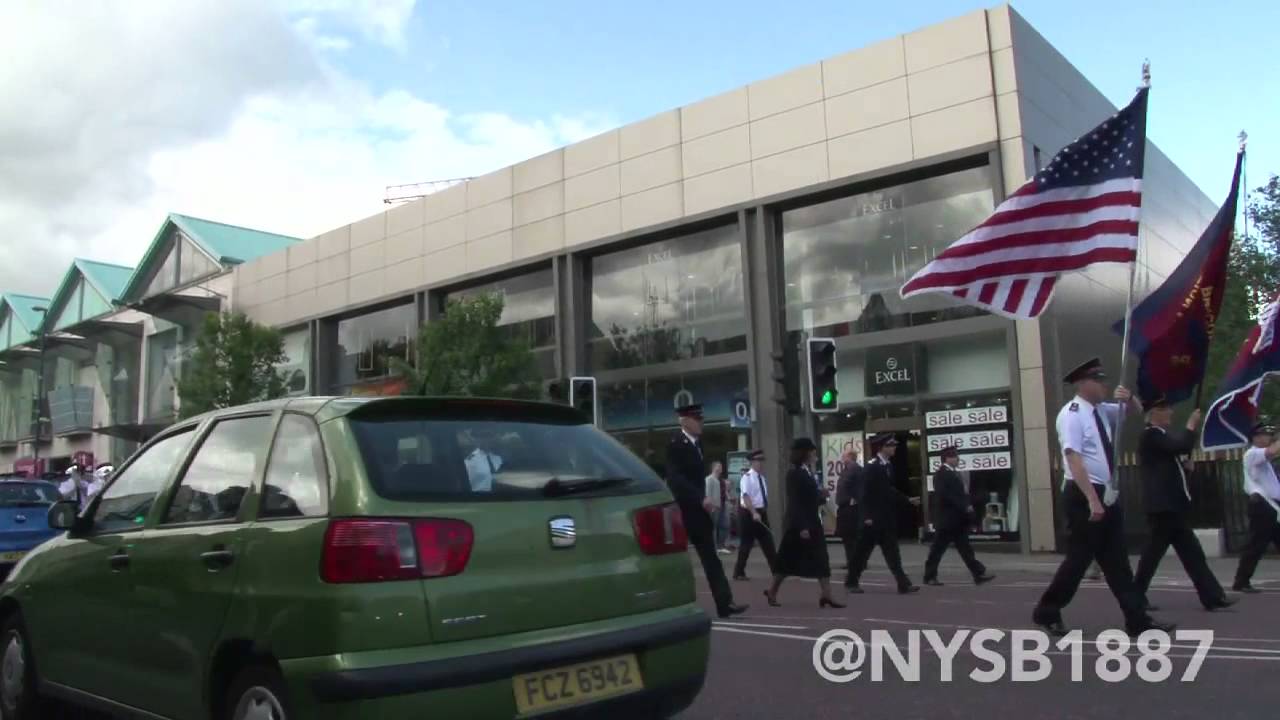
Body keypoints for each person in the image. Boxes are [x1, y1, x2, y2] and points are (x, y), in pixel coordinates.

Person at [1032, 357, 1173, 637]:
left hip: (1106, 491)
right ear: (1083, 383)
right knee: (1078, 561)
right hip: (1085, 493)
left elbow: (1136, 411)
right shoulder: (1072, 414)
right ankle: (1047, 611)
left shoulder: (1100, 411)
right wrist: (1092, 500)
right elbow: (1073, 457)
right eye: (1099, 381)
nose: (1104, 385)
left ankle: (1137, 619)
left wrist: (1129, 397)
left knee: (1117, 562)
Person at [1133, 397, 1233, 610]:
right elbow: (1180, 446)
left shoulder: (1160, 437)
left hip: (1170, 507)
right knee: (1155, 556)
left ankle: (1212, 597)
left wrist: (1186, 468)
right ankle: (1135, 599)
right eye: (1165, 409)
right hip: (1163, 507)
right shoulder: (1151, 435)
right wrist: (1190, 426)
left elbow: (1171, 463)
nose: (1170, 412)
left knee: (1189, 554)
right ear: (1153, 413)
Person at [666, 403, 747, 618]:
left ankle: (725, 603)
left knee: (711, 557)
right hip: (683, 510)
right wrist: (700, 498)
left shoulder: (698, 444)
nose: (701, 423)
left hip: (698, 511)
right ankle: (673, 607)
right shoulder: (676, 444)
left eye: (701, 419)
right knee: (676, 561)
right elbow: (675, 479)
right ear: (684, 421)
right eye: (696, 419)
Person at [764, 438, 846, 609]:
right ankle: (772, 590)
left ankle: (826, 594)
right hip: (799, 524)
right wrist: (802, 526)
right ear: (804, 453)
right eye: (812, 452)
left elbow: (810, 498)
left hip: (812, 521)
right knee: (787, 560)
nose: (815, 455)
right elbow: (796, 502)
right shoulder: (794, 474)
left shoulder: (807, 471)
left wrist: (821, 495)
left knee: (822, 558)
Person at [845, 433, 921, 594]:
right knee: (861, 553)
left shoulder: (888, 466)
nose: (894, 448)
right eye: (890, 445)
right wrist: (866, 516)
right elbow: (863, 492)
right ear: (881, 448)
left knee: (893, 553)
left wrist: (907, 499)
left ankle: (903, 584)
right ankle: (851, 581)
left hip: (885, 518)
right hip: (872, 519)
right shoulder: (872, 466)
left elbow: (888, 490)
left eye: (894, 445)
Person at [923, 446, 995, 586]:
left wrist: (966, 505)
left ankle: (978, 573)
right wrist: (964, 506)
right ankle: (929, 576)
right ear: (947, 459)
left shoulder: (954, 473)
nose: (958, 459)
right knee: (937, 549)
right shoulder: (941, 474)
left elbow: (960, 493)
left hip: (957, 520)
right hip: (947, 520)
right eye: (955, 457)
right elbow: (946, 495)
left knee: (965, 548)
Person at [1232, 420, 1280, 593]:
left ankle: (1242, 581)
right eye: (1266, 435)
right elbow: (1273, 450)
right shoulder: (1252, 454)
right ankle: (1241, 581)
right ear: (1256, 437)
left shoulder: (1262, 457)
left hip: (1272, 507)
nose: (1269, 438)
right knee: (1256, 546)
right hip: (1262, 506)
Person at [734, 450, 778, 580]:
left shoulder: (762, 478)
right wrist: (753, 512)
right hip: (749, 513)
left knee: (768, 542)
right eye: (758, 460)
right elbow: (746, 496)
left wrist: (761, 511)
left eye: (762, 460)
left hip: (761, 512)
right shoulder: (747, 477)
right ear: (752, 462)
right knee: (746, 544)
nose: (761, 463)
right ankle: (739, 572)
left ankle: (776, 570)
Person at [834, 446, 865, 588]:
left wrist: (855, 500)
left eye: (844, 455)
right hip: (844, 508)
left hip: (850, 509)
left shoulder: (856, 469)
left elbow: (860, 487)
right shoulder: (846, 470)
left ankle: (855, 564)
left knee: (852, 539)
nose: (842, 457)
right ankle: (851, 562)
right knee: (847, 538)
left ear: (850, 457)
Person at [463, 428, 504, 492]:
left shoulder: (498, 458)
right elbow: (467, 485)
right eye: (482, 436)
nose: (486, 440)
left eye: (489, 436)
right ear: (477, 439)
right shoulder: (470, 460)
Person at [704, 462, 732, 554]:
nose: (720, 468)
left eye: (721, 466)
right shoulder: (709, 479)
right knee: (713, 527)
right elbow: (707, 494)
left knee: (725, 525)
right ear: (713, 468)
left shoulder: (720, 480)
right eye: (718, 466)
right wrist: (710, 506)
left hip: (722, 505)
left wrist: (728, 497)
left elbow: (725, 491)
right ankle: (713, 548)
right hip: (714, 506)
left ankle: (720, 546)